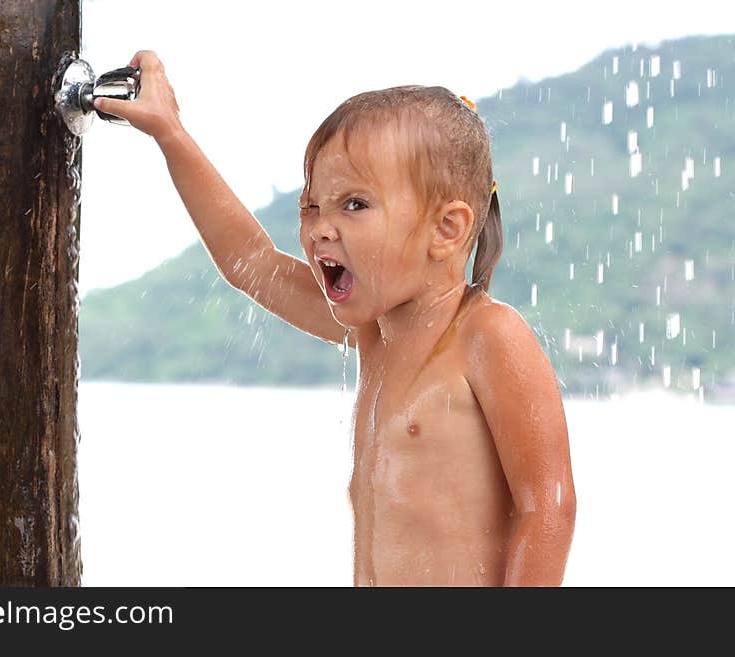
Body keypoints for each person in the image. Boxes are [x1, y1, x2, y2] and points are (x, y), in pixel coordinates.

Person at [95, 50, 577, 586]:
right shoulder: (375, 338)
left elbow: (549, 506)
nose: (320, 228)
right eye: (311, 206)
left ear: (447, 229)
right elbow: (248, 262)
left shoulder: (488, 336)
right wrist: (171, 133)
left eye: (353, 205)